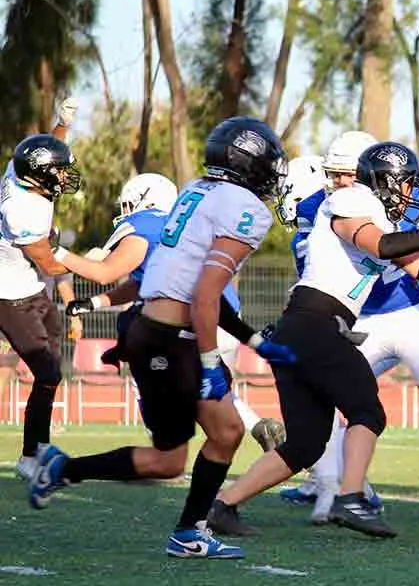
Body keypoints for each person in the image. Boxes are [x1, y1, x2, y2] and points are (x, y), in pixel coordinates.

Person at [27, 116, 297, 560]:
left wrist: (251, 339)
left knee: (173, 458)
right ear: (249, 162)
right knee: (224, 432)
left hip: (151, 330)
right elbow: (205, 294)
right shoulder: (246, 209)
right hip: (174, 339)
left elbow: (185, 283)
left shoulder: (197, 190)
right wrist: (211, 361)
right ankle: (189, 531)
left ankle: (63, 468)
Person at [206, 142, 419, 543]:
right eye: (406, 182)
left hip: (307, 328)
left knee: (304, 444)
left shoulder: (376, 213)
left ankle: (222, 506)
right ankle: (351, 498)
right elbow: (384, 247)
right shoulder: (352, 198)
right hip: (316, 324)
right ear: (386, 180)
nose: (412, 191)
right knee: (367, 411)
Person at [279, 131, 419, 526]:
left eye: (347, 174)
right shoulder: (323, 206)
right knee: (328, 401)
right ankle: (345, 487)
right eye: (333, 175)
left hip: (414, 309)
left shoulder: (409, 192)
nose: (339, 184)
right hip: (361, 318)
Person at [58, 172, 286, 452]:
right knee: (204, 388)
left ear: (142, 200)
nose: (125, 211)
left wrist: (54, 252)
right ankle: (257, 426)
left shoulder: (143, 224)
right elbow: (142, 282)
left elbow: (105, 272)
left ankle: (163, 451)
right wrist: (96, 303)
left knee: (148, 374)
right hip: (225, 323)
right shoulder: (188, 226)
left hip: (189, 325)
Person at [0, 134, 81, 480]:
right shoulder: (22, 209)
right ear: (42, 175)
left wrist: (62, 126)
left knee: (51, 376)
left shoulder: (18, 173)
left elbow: (40, 149)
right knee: (47, 373)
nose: (65, 176)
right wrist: (97, 263)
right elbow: (50, 265)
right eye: (60, 171)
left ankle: (37, 449)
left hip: (33, 292)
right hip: (9, 297)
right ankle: (31, 455)